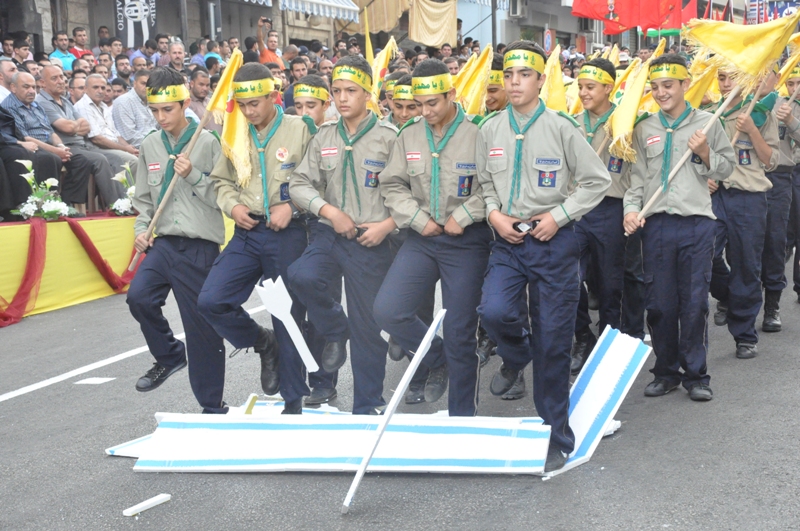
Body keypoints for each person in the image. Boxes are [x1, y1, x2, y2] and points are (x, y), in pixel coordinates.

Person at [476, 41, 611, 472]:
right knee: (494, 311)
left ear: (540, 80)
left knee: (553, 341)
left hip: (553, 242)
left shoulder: (562, 127)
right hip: (508, 241)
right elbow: (484, 183)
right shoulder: (489, 129)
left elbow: (597, 181)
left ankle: (555, 434)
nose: (514, 83)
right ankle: (517, 355)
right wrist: (494, 214)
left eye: (524, 75)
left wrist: (559, 216)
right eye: (508, 75)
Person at [375, 58, 492, 412]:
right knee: (388, 310)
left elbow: (493, 186)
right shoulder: (409, 134)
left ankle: (462, 417)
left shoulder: (479, 132)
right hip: (422, 238)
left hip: (466, 241)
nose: (425, 112)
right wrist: (416, 218)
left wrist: (464, 215)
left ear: (451, 94)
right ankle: (437, 356)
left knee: (460, 330)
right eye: (419, 104)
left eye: (432, 103)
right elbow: (392, 185)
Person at [197, 62, 314, 414]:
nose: (249, 112)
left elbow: (319, 178)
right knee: (212, 300)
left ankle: (293, 401)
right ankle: (263, 342)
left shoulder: (300, 128)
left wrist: (292, 206)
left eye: (255, 103)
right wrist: (233, 206)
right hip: (247, 232)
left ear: (273, 97)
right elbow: (221, 181)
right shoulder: (234, 133)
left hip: (288, 233)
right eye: (243, 105)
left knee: (286, 315)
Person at [287, 56, 398, 415]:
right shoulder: (324, 136)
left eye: (351, 90)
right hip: (330, 234)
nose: (342, 98)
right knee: (302, 276)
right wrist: (329, 211)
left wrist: (387, 226)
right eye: (336, 91)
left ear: (368, 93)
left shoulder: (389, 138)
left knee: (368, 328)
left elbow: (410, 192)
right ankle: (336, 329)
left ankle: (368, 403)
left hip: (371, 240)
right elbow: (299, 183)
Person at [623, 54, 735, 401]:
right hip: (656, 226)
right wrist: (630, 210)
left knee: (694, 303)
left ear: (686, 84)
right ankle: (666, 371)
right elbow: (637, 179)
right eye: (655, 87)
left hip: (697, 225)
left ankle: (697, 375)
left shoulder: (708, 123)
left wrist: (704, 152)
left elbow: (727, 168)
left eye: (668, 85)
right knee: (659, 304)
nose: (661, 93)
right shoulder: (645, 128)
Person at [127, 66, 227, 413]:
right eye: (154, 110)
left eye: (167, 109)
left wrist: (194, 175)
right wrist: (141, 230)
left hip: (200, 246)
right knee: (138, 298)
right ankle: (169, 356)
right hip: (165, 242)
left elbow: (223, 197)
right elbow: (143, 199)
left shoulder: (208, 142)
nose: (160, 117)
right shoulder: (150, 145)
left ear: (184, 104)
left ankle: (212, 406)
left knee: (201, 328)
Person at [569, 58, 638, 373]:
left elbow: (638, 171)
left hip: (611, 208)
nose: (583, 93)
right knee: (568, 277)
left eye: (590, 87)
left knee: (611, 285)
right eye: (580, 87)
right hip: (577, 209)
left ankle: (610, 342)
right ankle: (582, 335)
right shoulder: (571, 124)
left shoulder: (625, 122)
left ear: (608, 88)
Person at [709, 68, 780, 359]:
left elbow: (771, 160)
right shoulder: (709, 115)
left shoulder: (760, 114)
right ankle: (727, 295)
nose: (726, 84)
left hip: (749, 198)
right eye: (721, 78)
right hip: (715, 196)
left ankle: (745, 335)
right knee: (705, 255)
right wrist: (705, 175)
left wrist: (751, 130)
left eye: (732, 77)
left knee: (746, 267)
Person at [35, 65, 125, 206]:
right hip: (65, 147)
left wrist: (72, 127)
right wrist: (73, 126)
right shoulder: (42, 102)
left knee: (118, 158)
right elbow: (67, 127)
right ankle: (115, 205)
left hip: (82, 145)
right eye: (54, 78)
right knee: (100, 159)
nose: (60, 81)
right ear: (42, 83)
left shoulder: (65, 100)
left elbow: (85, 125)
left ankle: (126, 201)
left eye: (61, 77)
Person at [761, 67, 800, 332]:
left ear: (776, 77)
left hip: (779, 178)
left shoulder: (788, 105)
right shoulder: (739, 104)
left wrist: (792, 121)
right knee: (743, 246)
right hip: (746, 180)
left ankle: (772, 306)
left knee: (775, 242)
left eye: (767, 74)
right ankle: (737, 299)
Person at [74, 74, 139, 174]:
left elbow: (116, 134)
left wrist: (130, 148)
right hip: (96, 149)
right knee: (133, 161)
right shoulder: (83, 106)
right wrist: (125, 149)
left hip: (112, 147)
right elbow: (96, 139)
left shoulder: (103, 106)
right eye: (95, 87)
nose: (100, 91)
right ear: (86, 89)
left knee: (140, 155)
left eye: (103, 88)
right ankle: (127, 185)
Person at [113, 69, 159, 149]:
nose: (147, 87)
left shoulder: (152, 101)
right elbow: (129, 137)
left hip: (155, 143)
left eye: (150, 85)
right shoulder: (123, 102)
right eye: (143, 83)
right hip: (140, 148)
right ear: (134, 83)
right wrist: (158, 144)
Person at [187, 69, 221, 134]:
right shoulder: (186, 104)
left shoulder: (211, 101)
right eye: (201, 85)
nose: (205, 88)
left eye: (207, 85)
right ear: (192, 84)